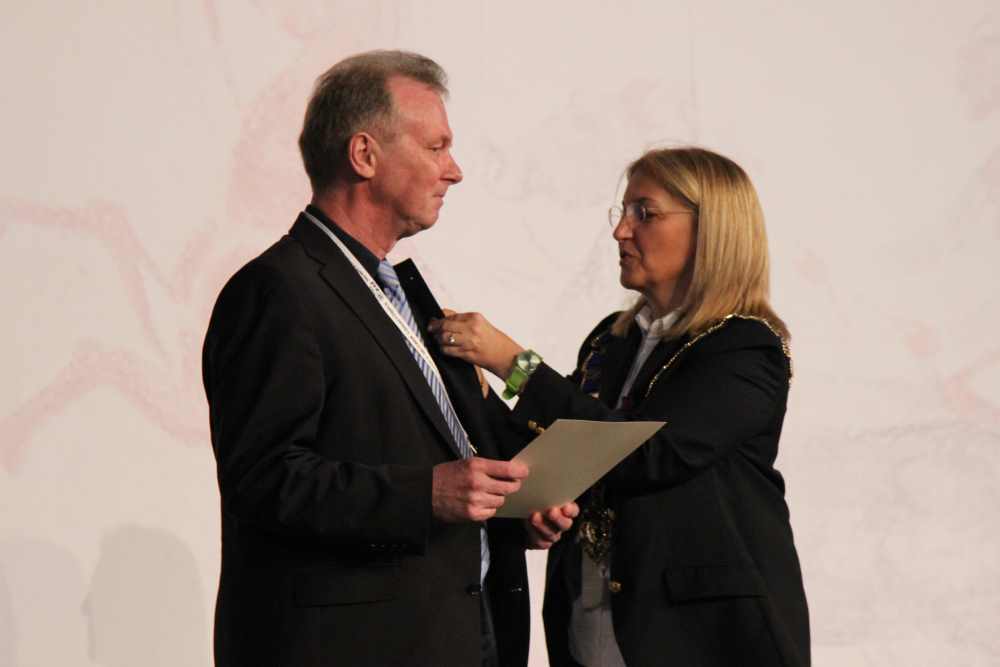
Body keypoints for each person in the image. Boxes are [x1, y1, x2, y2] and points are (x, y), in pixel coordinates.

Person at [202, 50, 575, 667]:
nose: (455, 171)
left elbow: (431, 454)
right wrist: (426, 493)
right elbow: (264, 480)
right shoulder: (277, 290)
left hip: (458, 633)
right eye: (436, 147)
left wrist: (511, 512)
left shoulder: (402, 296)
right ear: (364, 155)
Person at [430, 147, 811, 666]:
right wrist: (472, 388)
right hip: (595, 627)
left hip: (700, 641)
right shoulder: (612, 340)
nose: (620, 231)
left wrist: (515, 364)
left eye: (644, 214)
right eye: (623, 212)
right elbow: (558, 450)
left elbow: (650, 453)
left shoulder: (744, 348)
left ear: (711, 230)